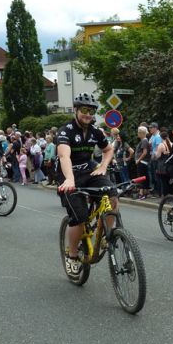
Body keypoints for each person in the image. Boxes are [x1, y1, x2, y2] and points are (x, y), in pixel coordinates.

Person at [56, 93, 117, 277]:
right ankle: (72, 255)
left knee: (113, 195)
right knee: (80, 217)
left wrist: (103, 167)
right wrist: (69, 179)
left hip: (89, 171)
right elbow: (64, 156)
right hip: (69, 177)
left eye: (91, 111)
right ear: (76, 110)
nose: (87, 114)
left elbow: (108, 149)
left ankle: (107, 236)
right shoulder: (66, 131)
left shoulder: (95, 131)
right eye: (84, 110)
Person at [133, 126, 150, 199]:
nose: (138, 134)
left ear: (142, 133)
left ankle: (141, 193)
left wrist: (138, 160)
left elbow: (145, 152)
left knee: (141, 177)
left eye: (138, 132)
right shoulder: (143, 140)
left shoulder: (144, 140)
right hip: (142, 162)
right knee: (143, 177)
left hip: (142, 162)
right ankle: (144, 192)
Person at [147, 123, 162, 197]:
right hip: (153, 158)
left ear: (155, 128)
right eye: (149, 128)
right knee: (154, 175)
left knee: (156, 176)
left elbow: (157, 148)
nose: (150, 129)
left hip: (156, 159)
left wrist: (153, 157)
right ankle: (156, 191)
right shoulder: (154, 136)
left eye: (151, 128)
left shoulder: (158, 137)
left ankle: (158, 192)